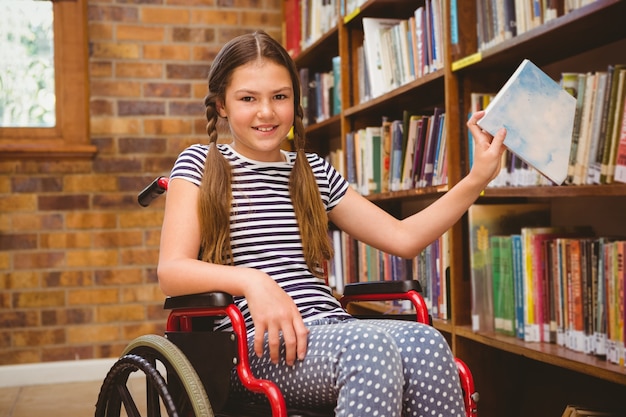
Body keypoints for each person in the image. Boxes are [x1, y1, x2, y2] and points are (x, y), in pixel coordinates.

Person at [157, 30, 505, 417]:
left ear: (295, 99)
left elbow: (403, 238)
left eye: (280, 96)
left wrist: (478, 178)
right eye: (248, 98)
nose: (267, 112)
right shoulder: (200, 165)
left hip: (330, 328)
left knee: (427, 342)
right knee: (370, 350)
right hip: (255, 345)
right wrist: (252, 280)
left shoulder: (312, 171)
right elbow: (172, 270)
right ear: (221, 104)